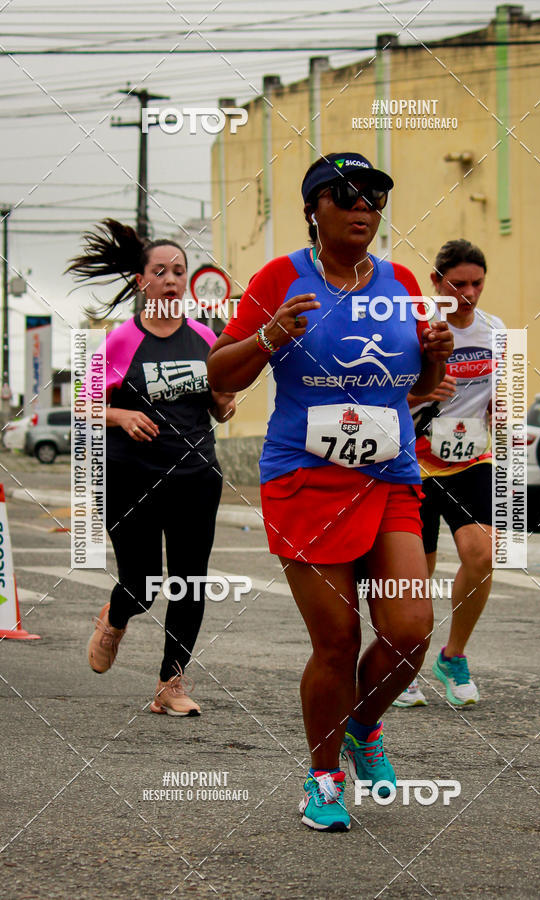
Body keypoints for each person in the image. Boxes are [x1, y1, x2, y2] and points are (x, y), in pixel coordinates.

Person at [207, 153, 453, 831]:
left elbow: (419, 385)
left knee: (408, 632)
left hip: (389, 474)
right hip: (305, 479)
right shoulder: (281, 277)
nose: (363, 207)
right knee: (339, 639)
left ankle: (363, 726)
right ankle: (322, 779)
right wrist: (267, 333)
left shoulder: (401, 281)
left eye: (374, 196)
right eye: (345, 195)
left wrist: (434, 356)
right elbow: (218, 372)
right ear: (314, 208)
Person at [67, 219, 235, 716]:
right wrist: (119, 414)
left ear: (186, 280)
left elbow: (220, 403)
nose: (170, 278)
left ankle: (171, 685)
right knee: (140, 585)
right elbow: (84, 403)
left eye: (178, 271)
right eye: (159, 271)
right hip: (131, 478)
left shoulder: (207, 336)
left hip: (196, 477)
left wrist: (226, 403)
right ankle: (115, 619)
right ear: (142, 282)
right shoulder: (122, 340)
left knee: (189, 581)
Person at [394, 239, 503, 709]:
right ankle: (404, 664)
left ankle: (453, 656)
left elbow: (503, 395)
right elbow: (386, 397)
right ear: (436, 283)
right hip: (413, 462)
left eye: (477, 283)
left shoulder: (495, 331)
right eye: (458, 284)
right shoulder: (417, 332)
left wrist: (504, 416)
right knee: (418, 573)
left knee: (482, 554)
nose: (469, 293)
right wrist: (420, 394)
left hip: (469, 460)